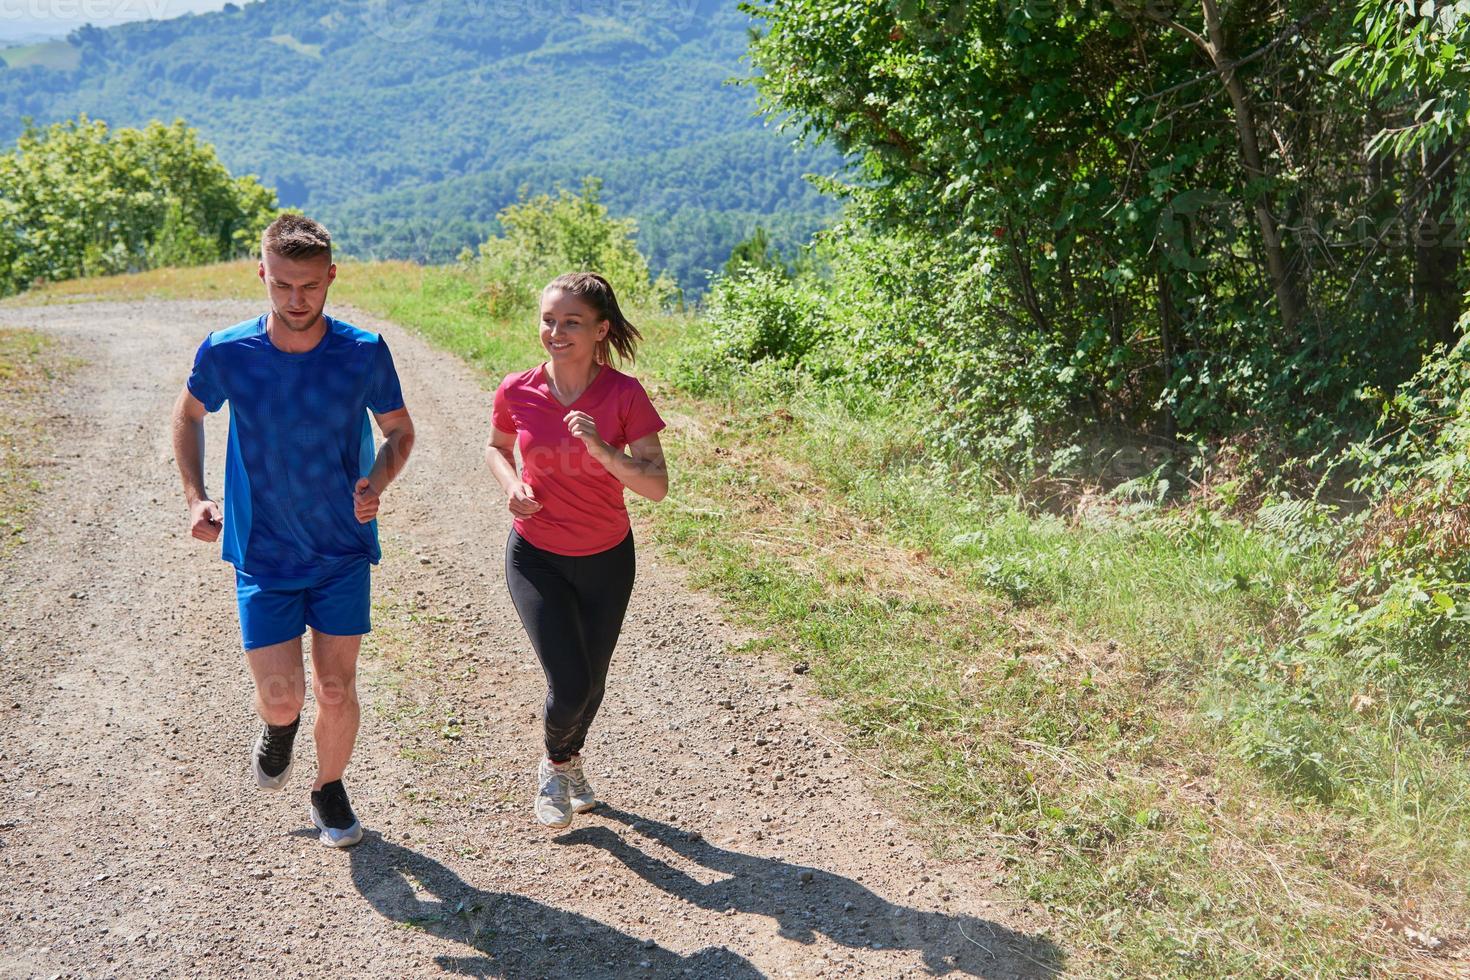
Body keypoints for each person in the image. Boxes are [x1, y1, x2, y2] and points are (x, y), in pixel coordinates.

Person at [170, 213, 415, 848]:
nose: (296, 299)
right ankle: (279, 728)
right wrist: (196, 496)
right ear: (262, 274)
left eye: (309, 285)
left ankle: (328, 787)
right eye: (282, 285)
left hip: (340, 549)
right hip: (263, 552)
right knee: (283, 698)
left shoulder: (363, 352)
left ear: (331, 277)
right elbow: (190, 414)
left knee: (337, 686)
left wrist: (377, 482)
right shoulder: (228, 350)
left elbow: (399, 432)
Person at [485, 272, 668, 829]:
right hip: (536, 554)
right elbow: (495, 446)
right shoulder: (517, 389)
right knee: (569, 683)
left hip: (607, 558)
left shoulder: (623, 394)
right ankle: (555, 765)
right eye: (548, 320)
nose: (556, 331)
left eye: (572, 322)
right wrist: (511, 485)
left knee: (593, 682)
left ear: (600, 330)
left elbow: (656, 485)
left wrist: (602, 448)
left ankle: (568, 763)